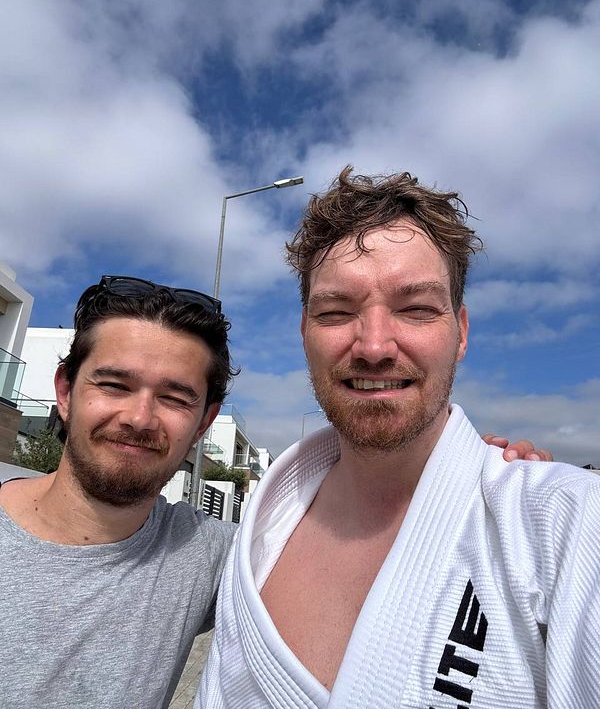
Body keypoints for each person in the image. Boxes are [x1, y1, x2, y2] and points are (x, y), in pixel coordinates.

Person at [198, 167, 600, 709]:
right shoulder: (262, 531)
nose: (374, 346)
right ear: (303, 332)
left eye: (415, 308)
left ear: (461, 332)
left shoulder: (566, 526)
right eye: (337, 311)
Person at [0, 276, 237, 709]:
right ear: (66, 392)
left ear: (204, 423)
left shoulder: (213, 555)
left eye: (174, 398)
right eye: (113, 386)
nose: (140, 418)